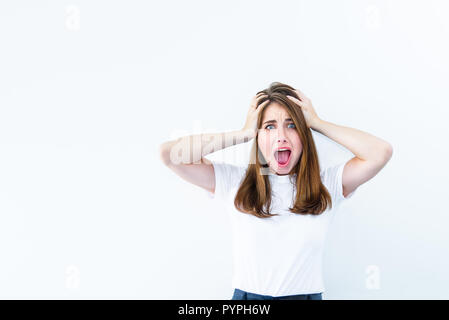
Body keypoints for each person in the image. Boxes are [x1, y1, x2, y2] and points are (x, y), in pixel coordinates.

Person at [159, 82, 393, 300]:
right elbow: (169, 154)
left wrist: (317, 122)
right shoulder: (233, 181)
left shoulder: (327, 184)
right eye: (269, 126)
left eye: (292, 125)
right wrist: (243, 133)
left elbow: (380, 152)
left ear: (304, 135)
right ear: (258, 137)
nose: (281, 136)